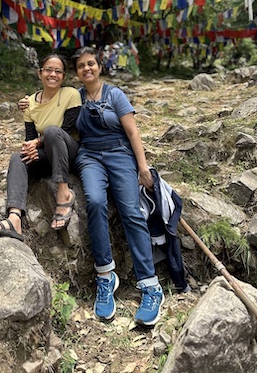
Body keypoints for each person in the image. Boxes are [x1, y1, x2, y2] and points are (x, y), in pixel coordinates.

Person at [71, 46, 164, 326]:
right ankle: (105, 275)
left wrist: (143, 166)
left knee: (131, 212)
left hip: (120, 153)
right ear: (76, 72)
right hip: (89, 156)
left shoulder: (115, 95)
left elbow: (133, 131)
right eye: (81, 66)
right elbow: (50, 110)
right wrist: (29, 104)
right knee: (96, 202)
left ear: (99, 66)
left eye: (91, 64)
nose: (87, 69)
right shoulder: (73, 98)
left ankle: (150, 284)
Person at [0, 54, 81, 241]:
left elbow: (66, 130)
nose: (53, 74)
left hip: (69, 153)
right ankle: (14, 219)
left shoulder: (70, 95)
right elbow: (30, 138)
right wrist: (31, 148)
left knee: (52, 131)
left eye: (58, 71)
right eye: (48, 70)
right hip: (47, 156)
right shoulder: (30, 103)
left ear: (64, 76)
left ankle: (64, 193)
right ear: (40, 72)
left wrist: (37, 143)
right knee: (18, 158)